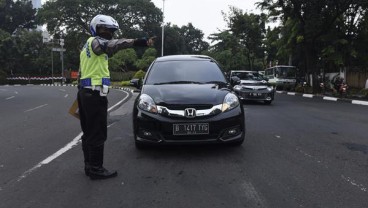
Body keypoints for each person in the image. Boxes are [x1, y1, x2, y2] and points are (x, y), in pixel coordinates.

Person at [77, 14, 154, 180]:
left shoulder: (86, 47)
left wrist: (80, 97)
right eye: (105, 29)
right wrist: (138, 42)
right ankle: (96, 169)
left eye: (111, 31)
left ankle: (89, 166)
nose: (109, 33)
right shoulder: (96, 43)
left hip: (86, 93)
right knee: (97, 132)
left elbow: (82, 74)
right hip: (94, 94)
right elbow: (114, 44)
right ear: (96, 29)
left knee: (89, 131)